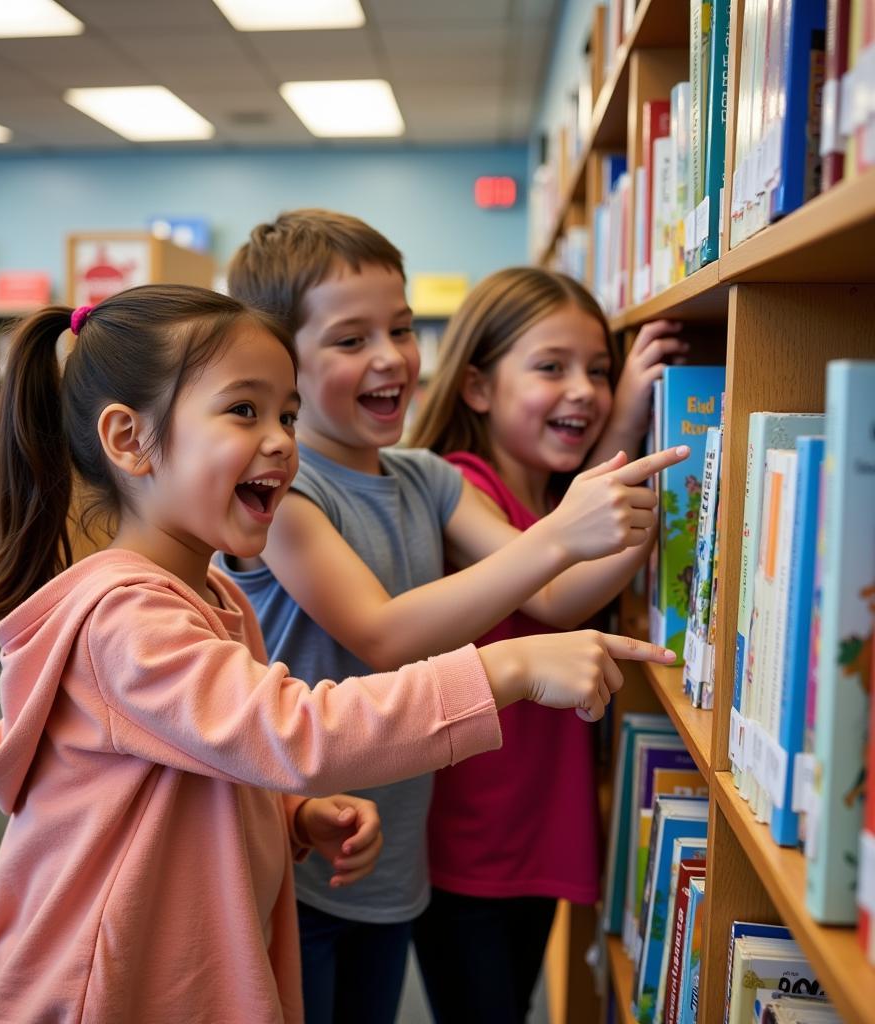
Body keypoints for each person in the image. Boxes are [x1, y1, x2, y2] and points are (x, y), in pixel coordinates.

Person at [0, 283, 675, 1024]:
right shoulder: (126, 615)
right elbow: (293, 730)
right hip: (99, 994)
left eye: (286, 414)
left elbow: (215, 750)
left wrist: (292, 815)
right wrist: (506, 669)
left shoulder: (211, 596)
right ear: (129, 439)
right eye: (244, 410)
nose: (280, 440)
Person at [224, 210, 688, 1023]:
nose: (390, 358)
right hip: (296, 856)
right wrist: (558, 537)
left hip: (396, 860)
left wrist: (650, 520)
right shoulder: (288, 499)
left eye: (400, 329)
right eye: (350, 340)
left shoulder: (427, 478)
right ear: (279, 363)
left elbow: (547, 598)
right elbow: (385, 631)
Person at [407, 266, 685, 1023]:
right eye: (551, 367)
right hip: (474, 839)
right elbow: (560, 593)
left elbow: (570, 534)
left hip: (537, 824)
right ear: (476, 388)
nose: (585, 391)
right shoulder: (464, 486)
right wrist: (669, 489)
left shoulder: (551, 500)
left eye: (598, 371)